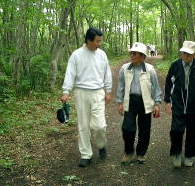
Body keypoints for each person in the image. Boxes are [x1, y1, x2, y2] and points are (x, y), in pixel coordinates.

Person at [60, 27, 112, 168]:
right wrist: (66, 91)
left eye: (100, 41)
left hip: (98, 93)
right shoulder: (77, 55)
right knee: (83, 125)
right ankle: (85, 154)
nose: (99, 44)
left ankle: (101, 145)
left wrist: (108, 90)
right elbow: (70, 74)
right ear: (88, 40)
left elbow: (107, 73)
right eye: (97, 41)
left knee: (100, 125)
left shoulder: (102, 55)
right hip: (81, 92)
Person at [164, 40, 195, 168]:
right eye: (183, 53)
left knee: (193, 132)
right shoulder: (175, 65)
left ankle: (190, 155)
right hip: (178, 104)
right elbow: (169, 83)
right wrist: (167, 100)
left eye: (188, 54)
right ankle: (176, 153)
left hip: (194, 106)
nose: (185, 56)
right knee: (176, 130)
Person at [117, 42, 162, 165]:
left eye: (135, 53)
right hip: (130, 101)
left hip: (145, 102)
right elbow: (121, 86)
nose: (132, 55)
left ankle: (141, 153)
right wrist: (120, 102)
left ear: (142, 56)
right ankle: (128, 151)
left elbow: (155, 88)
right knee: (127, 128)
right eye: (131, 53)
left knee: (144, 130)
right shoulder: (124, 69)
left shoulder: (150, 70)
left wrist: (157, 104)